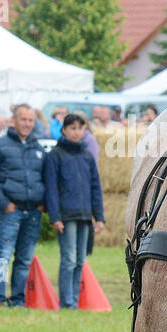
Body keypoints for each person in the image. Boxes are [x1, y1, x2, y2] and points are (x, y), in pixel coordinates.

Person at [0, 104, 46, 308]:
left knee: (25, 259)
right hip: (11, 211)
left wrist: (43, 203)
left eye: (30, 120)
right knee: (4, 254)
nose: (27, 124)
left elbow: (46, 178)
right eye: (23, 119)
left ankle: (18, 299)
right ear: (14, 120)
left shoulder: (38, 148)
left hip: (33, 212)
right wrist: (4, 204)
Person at [43, 113, 105, 309]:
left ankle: (75, 301)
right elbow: (51, 188)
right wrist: (55, 216)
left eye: (80, 128)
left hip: (85, 215)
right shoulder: (55, 155)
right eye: (72, 128)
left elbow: (96, 187)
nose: (76, 132)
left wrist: (99, 217)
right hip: (66, 216)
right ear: (64, 130)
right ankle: (67, 302)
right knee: (68, 259)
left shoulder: (87, 156)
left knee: (80, 260)